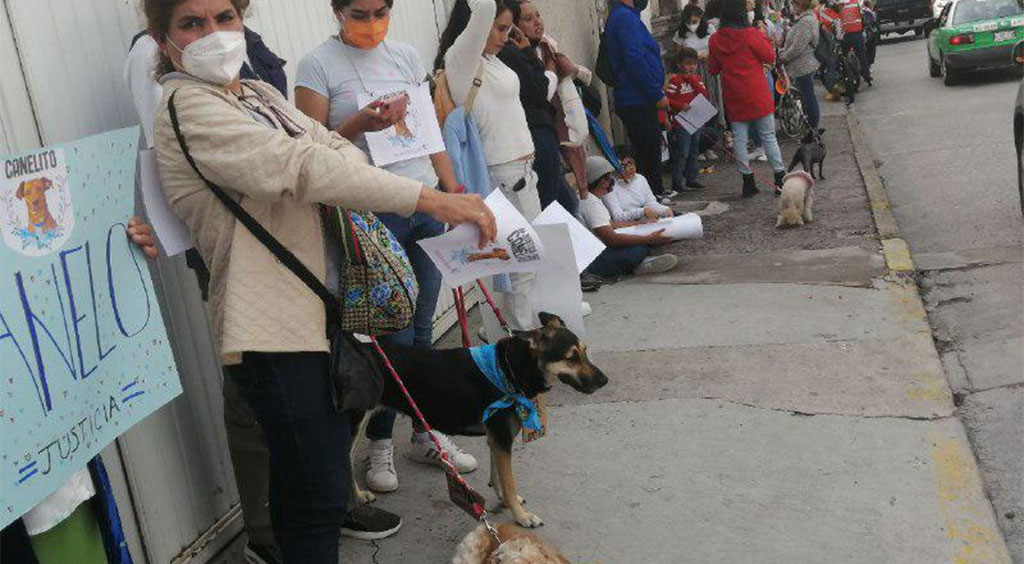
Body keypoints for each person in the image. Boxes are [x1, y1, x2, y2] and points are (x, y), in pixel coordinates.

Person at [145, 2, 496, 563]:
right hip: (273, 327)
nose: (212, 34)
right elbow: (302, 167)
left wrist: (366, 165)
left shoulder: (255, 95)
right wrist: (430, 197)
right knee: (316, 492)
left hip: (320, 310)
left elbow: (328, 147)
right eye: (191, 24)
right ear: (164, 42)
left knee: (312, 479)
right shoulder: (188, 106)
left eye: (224, 17)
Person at [293, 0, 478, 497]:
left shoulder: (404, 56)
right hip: (370, 215)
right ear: (336, 10)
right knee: (387, 337)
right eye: (360, 12)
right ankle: (379, 443)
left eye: (381, 10)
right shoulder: (317, 65)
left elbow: (428, 129)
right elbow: (305, 150)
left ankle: (423, 430)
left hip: (423, 204)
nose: (372, 22)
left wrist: (450, 187)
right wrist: (357, 125)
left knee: (420, 328)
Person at [436, 0, 543, 332]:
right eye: (499, 29)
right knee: (517, 265)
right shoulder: (461, 59)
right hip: (503, 176)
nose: (504, 37)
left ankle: (513, 335)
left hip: (523, 174)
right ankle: (521, 341)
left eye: (509, 30)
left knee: (522, 264)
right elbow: (483, 10)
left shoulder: (491, 61)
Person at [498, 0, 580, 215]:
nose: (537, 22)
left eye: (538, 15)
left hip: (545, 133)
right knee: (553, 206)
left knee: (568, 203)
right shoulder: (512, 53)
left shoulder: (543, 49)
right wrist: (543, 66)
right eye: (528, 19)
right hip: (535, 135)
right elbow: (541, 89)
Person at [708, 0, 787, 197]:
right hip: (756, 91)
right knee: (768, 136)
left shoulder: (716, 39)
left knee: (739, 140)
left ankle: (748, 182)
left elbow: (713, 68)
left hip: (733, 94)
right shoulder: (751, 34)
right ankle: (779, 178)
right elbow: (769, 56)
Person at [603, 0, 672, 199]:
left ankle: (654, 192)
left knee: (650, 148)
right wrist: (656, 93)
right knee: (647, 151)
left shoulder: (628, 15)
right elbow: (634, 59)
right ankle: (652, 196)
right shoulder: (624, 17)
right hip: (636, 97)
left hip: (640, 96)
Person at [581, 157, 678, 278]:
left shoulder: (593, 198)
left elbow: (610, 224)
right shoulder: (591, 203)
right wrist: (649, 239)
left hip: (598, 251)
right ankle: (639, 266)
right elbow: (611, 239)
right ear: (603, 182)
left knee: (641, 241)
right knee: (638, 249)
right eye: (610, 177)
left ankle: (639, 264)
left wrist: (642, 224)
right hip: (592, 260)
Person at [673, 4, 722, 161]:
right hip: (690, 73)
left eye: (697, 17)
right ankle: (699, 147)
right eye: (690, 17)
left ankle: (710, 144)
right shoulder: (680, 34)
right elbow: (679, 55)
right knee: (695, 105)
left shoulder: (709, 30)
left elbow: (715, 49)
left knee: (710, 103)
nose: (694, 20)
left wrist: (701, 56)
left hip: (708, 71)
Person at [665, 47, 709, 193]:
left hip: (696, 120)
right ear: (679, 65)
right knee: (682, 152)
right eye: (688, 63)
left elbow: (704, 93)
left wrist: (691, 80)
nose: (691, 67)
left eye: (694, 64)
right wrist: (680, 105)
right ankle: (677, 181)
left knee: (694, 150)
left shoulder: (697, 79)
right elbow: (668, 100)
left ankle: (692, 178)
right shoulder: (674, 80)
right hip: (681, 122)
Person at [778, 0, 822, 130]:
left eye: (793, 4)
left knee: (808, 98)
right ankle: (811, 128)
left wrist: (783, 57)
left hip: (803, 66)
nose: (791, 7)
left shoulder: (806, 21)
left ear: (800, 5)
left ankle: (813, 129)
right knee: (806, 98)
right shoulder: (803, 20)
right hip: (801, 66)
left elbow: (798, 47)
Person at [602, 152, 674, 222]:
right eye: (622, 166)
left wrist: (664, 210)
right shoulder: (608, 186)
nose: (627, 169)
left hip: (644, 221)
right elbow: (617, 217)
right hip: (625, 227)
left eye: (630, 164)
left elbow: (650, 203)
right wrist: (642, 212)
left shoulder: (640, 179)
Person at [839, 0, 872, 86]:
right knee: (862, 55)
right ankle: (866, 76)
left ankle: (846, 75)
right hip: (857, 32)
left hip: (845, 34)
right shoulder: (857, 2)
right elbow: (866, 12)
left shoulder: (838, 3)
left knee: (843, 56)